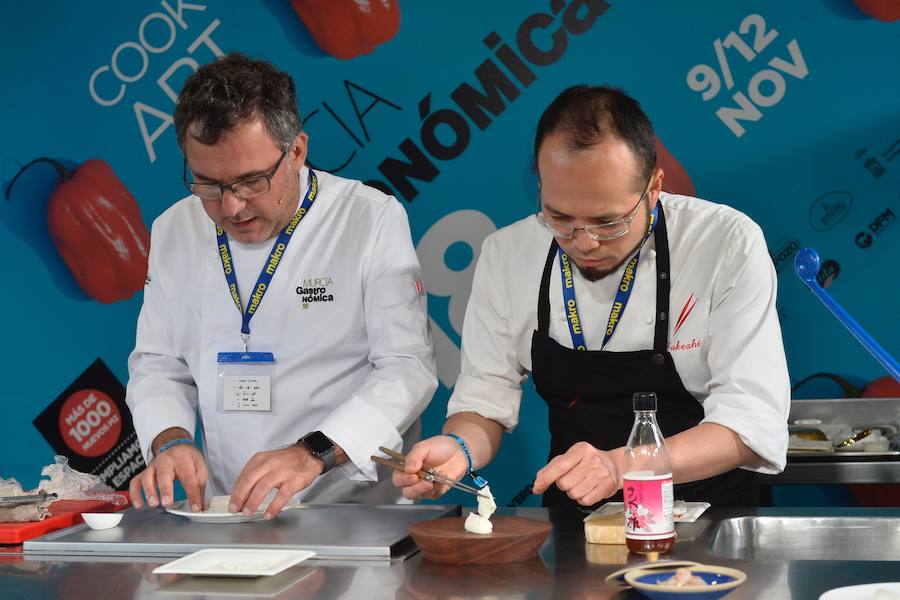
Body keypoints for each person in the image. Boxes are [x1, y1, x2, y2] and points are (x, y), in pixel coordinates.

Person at [394, 85, 789, 509]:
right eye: (560, 218)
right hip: (575, 524)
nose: (584, 242)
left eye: (608, 222)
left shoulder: (724, 243)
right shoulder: (507, 255)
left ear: (653, 189)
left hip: (709, 516)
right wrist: (461, 449)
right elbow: (485, 400)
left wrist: (621, 466)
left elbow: (750, 422)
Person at [126, 53, 437, 518]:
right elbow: (158, 363)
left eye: (251, 181)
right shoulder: (174, 229)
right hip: (232, 513)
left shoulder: (368, 219)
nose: (232, 207)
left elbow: (406, 369)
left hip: (351, 511)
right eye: (208, 185)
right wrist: (171, 439)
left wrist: (309, 453)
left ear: (296, 150)